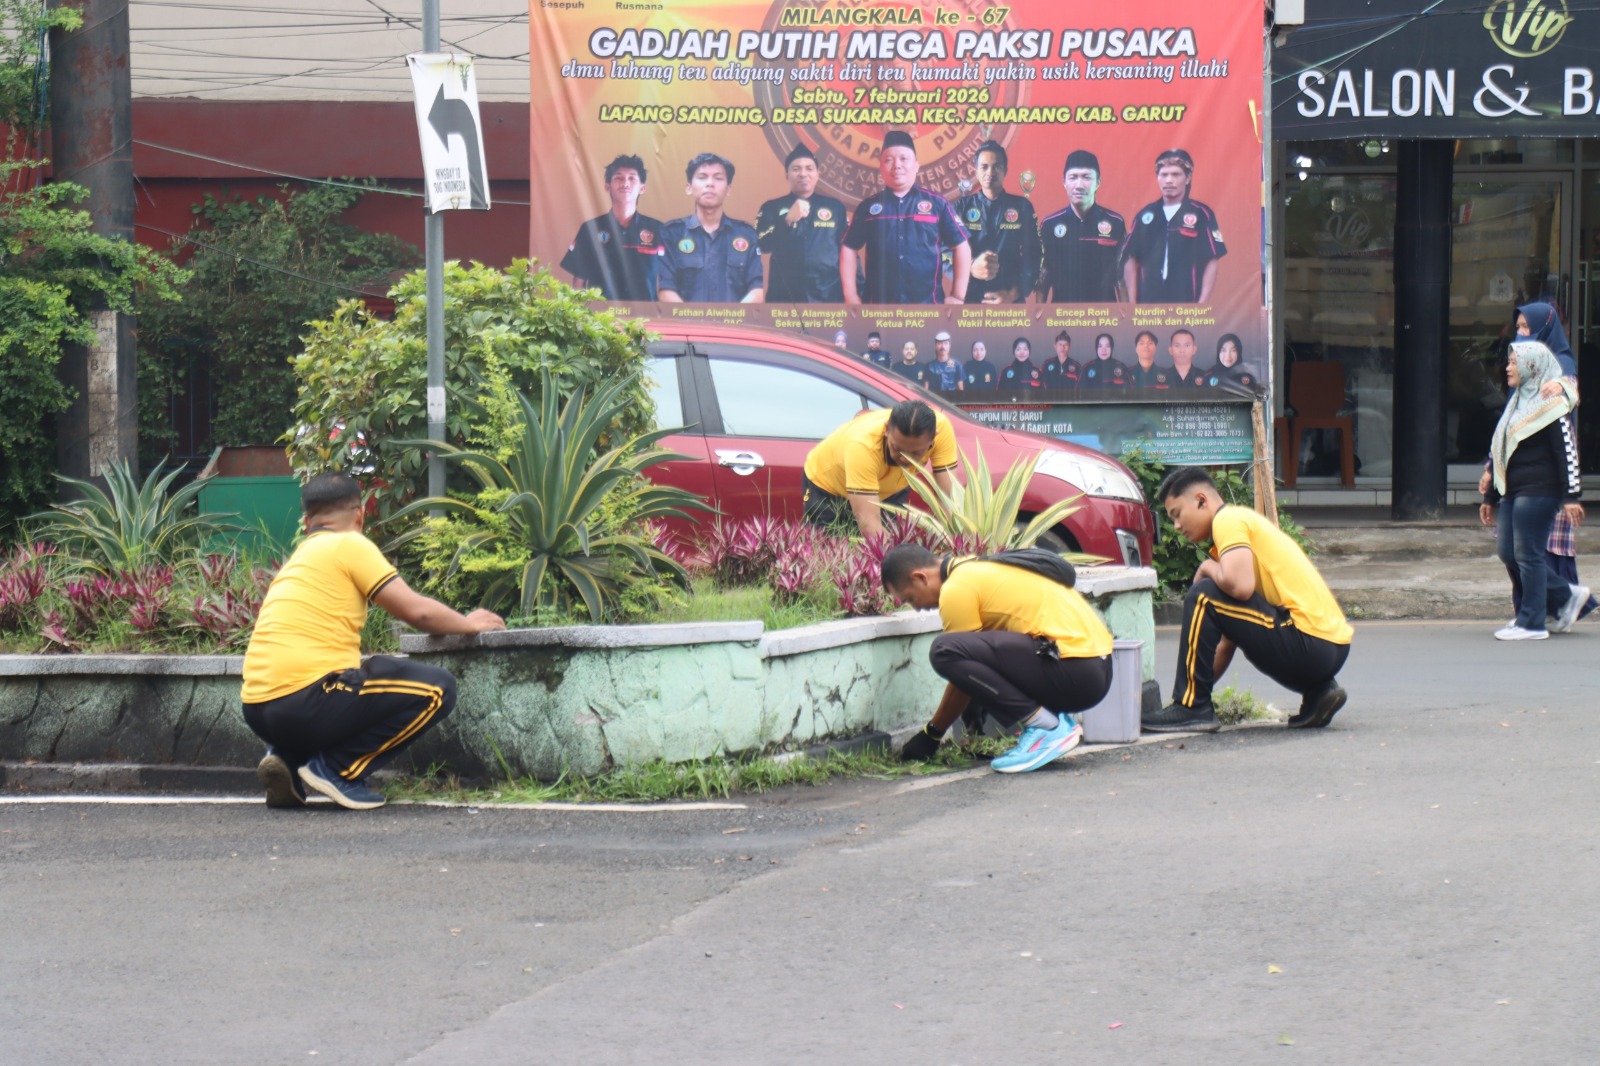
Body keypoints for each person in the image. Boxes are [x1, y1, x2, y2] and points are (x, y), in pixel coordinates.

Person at [241, 473, 506, 810]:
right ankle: (337, 770)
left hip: (257, 709)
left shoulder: (299, 560)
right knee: (437, 688)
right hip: (305, 702)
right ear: (360, 514)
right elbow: (417, 613)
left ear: (307, 523)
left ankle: (287, 759)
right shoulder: (349, 543)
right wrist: (468, 623)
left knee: (360, 680)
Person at [1146, 467, 1352, 733]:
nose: (1176, 526)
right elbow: (1225, 642)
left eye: (1177, 514)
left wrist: (1208, 568)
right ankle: (1320, 691)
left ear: (1201, 500)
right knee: (1216, 600)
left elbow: (1241, 587)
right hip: (1329, 650)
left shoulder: (1228, 520)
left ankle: (1190, 709)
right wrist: (1197, 687)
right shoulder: (1242, 523)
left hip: (1309, 642)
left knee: (1203, 595)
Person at [882, 543, 1113, 773]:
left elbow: (959, 662)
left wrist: (932, 734)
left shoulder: (956, 589)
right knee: (955, 648)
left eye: (911, 598)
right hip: (1096, 669)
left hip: (1076, 668)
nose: (917, 608)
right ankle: (1049, 724)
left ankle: (1046, 727)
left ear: (920, 577)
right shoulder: (975, 568)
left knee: (944, 650)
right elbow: (983, 660)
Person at [1477, 302, 1597, 626]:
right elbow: (1506, 433)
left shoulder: (1559, 366)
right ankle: (1559, 603)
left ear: (1545, 328)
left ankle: (1540, 616)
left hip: (1546, 474)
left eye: (1527, 328)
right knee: (1517, 551)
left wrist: (1571, 493)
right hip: (1519, 480)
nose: (1521, 333)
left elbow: (1569, 396)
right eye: (1518, 327)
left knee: (1534, 551)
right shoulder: (1522, 389)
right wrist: (1491, 471)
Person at [841, 130, 972, 305]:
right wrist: (851, 296)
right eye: (889, 160)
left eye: (904, 159)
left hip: (929, 309)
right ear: (881, 167)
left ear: (916, 165)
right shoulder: (867, 208)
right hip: (877, 310)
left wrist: (958, 295)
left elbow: (961, 245)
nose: (897, 165)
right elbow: (848, 248)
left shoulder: (938, 204)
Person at [801, 400, 959, 538]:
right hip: (828, 488)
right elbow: (869, 524)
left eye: (916, 453)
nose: (905, 459)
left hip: (890, 489)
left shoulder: (942, 428)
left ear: (934, 437)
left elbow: (949, 499)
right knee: (830, 551)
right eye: (898, 449)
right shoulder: (862, 445)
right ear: (886, 430)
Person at [1121, 149, 1226, 305]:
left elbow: (1211, 259)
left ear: (1188, 178)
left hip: (1186, 304)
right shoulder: (1145, 216)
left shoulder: (1201, 214)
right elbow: (1131, 260)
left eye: (1176, 175)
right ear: (1157, 178)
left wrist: (1202, 304)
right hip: (1149, 305)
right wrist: (1132, 302)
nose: (1169, 180)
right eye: (1164, 175)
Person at [658, 153, 764, 303]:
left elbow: (756, 291)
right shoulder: (672, 234)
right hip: (686, 325)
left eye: (718, 178)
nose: (710, 183)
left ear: (728, 189)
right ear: (689, 188)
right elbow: (665, 290)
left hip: (735, 324)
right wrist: (693, 323)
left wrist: (732, 320)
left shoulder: (746, 234)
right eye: (702, 177)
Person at [559, 154, 665, 301]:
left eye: (632, 178)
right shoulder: (590, 229)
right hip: (599, 319)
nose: (625, 184)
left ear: (642, 188)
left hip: (646, 318)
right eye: (618, 178)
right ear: (607, 186)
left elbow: (667, 281)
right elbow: (579, 282)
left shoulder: (659, 229)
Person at [755, 144, 849, 303]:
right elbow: (761, 244)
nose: (803, 174)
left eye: (809, 168)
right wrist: (786, 220)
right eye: (796, 169)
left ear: (818, 174)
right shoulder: (771, 207)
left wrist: (856, 293)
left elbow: (849, 252)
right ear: (786, 175)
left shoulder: (835, 207)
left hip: (828, 297)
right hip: (784, 298)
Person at [952, 140, 1041, 304]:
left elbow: (1035, 254)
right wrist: (970, 267)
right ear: (976, 172)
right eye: (984, 167)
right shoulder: (961, 207)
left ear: (1005, 170)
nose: (990, 172)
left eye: (997, 166)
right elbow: (944, 250)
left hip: (1010, 302)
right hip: (970, 302)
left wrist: (1012, 294)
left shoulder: (1022, 206)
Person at [1037, 150, 1127, 303]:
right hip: (1062, 318)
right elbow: (1043, 277)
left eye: (1086, 177)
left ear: (1098, 181)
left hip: (1104, 318)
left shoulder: (1115, 223)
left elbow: (1121, 275)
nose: (1079, 185)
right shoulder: (1049, 225)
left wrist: (1127, 318)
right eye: (1073, 177)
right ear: (1064, 182)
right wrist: (1037, 318)